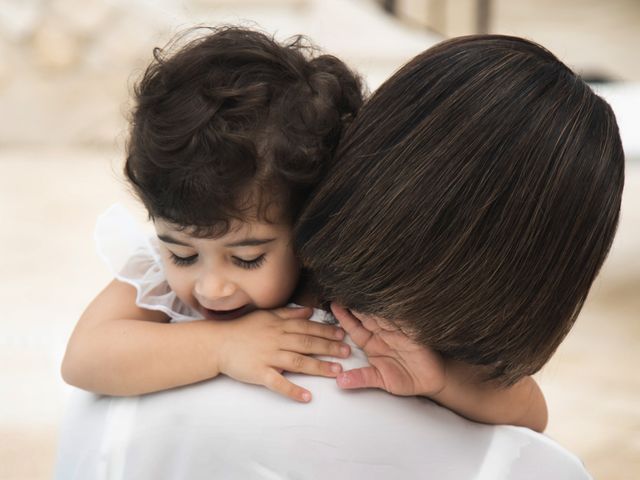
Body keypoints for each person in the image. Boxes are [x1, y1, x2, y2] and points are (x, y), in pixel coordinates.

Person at [55, 33, 623, 479]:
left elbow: (531, 414)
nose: (211, 287)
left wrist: (442, 381)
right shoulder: (165, 281)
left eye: (247, 258)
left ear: (308, 217)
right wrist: (218, 345)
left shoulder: (357, 295)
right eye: (181, 252)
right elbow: (85, 357)